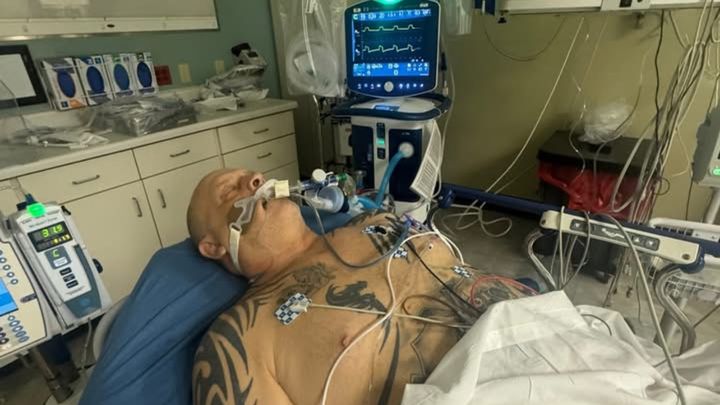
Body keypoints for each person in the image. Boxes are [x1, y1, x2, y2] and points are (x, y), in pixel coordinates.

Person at [187, 168, 534, 405]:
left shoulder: (378, 221)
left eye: (253, 176)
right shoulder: (238, 339)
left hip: (544, 328)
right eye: (229, 190)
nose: (256, 179)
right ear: (214, 246)